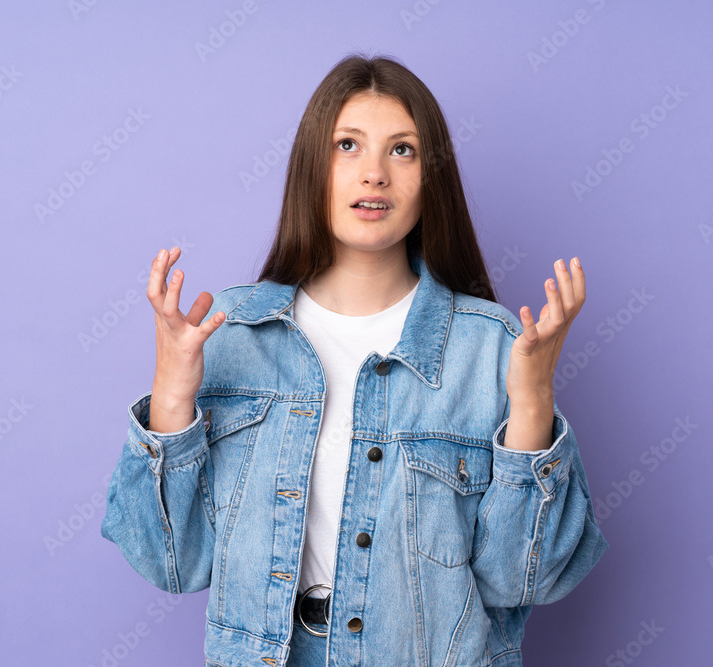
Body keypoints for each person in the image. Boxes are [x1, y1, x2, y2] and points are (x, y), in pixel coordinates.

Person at [101, 52, 609, 666]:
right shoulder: (229, 333)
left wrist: (532, 401)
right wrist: (172, 397)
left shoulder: (490, 345)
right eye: (347, 145)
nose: (374, 174)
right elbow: (172, 564)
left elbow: (525, 581)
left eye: (403, 150)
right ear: (311, 167)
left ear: (432, 177)